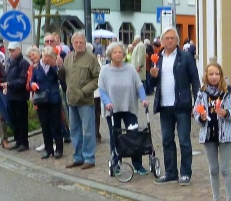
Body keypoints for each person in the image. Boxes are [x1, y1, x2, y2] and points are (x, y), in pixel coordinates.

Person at [150, 28, 200, 186]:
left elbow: (195, 80)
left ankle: (185, 172)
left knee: (184, 140)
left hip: (182, 104)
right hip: (165, 105)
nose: (170, 40)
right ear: (162, 41)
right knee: (166, 140)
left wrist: (197, 101)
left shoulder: (185, 57)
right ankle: (171, 172)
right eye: (167, 38)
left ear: (177, 40)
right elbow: (151, 84)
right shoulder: (157, 58)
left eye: (172, 38)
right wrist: (152, 76)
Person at [194, 61, 231, 201]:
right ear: (206, 76)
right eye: (211, 74)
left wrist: (226, 113)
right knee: (213, 169)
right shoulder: (202, 93)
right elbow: (195, 112)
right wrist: (201, 117)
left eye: (217, 74)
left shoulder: (230, 92)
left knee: (224, 168)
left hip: (226, 136)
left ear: (221, 75)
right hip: (209, 135)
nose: (214, 77)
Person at [98, 42, 149, 175]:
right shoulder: (105, 71)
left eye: (120, 52)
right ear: (110, 54)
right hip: (112, 109)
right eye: (115, 52)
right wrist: (107, 102)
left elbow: (139, 86)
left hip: (129, 107)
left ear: (124, 54)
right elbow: (102, 90)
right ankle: (116, 164)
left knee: (134, 135)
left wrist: (143, 99)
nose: (117, 54)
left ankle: (137, 165)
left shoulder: (130, 69)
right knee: (115, 136)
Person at [58, 32, 100, 169]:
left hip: (85, 100)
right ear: (72, 44)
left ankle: (89, 158)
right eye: (76, 42)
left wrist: (83, 91)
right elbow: (63, 77)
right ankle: (78, 157)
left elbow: (97, 78)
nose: (78, 44)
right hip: (71, 100)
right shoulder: (68, 57)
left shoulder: (91, 58)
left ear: (85, 43)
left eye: (81, 42)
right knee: (74, 131)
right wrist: (59, 67)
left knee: (88, 131)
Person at [31, 47, 65, 159]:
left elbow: (61, 78)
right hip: (41, 99)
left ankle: (59, 149)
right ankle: (48, 149)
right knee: (45, 125)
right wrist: (33, 84)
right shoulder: (36, 67)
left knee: (56, 125)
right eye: (45, 57)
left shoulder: (54, 66)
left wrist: (54, 66)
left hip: (54, 99)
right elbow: (32, 80)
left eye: (49, 57)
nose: (46, 59)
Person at [3, 42, 31, 152]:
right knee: (14, 120)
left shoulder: (24, 63)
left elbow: (23, 80)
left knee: (21, 120)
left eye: (13, 50)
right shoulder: (10, 62)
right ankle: (18, 141)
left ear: (19, 50)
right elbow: (8, 77)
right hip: (11, 95)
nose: (11, 53)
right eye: (10, 50)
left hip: (20, 96)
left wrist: (9, 84)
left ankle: (24, 142)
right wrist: (6, 85)